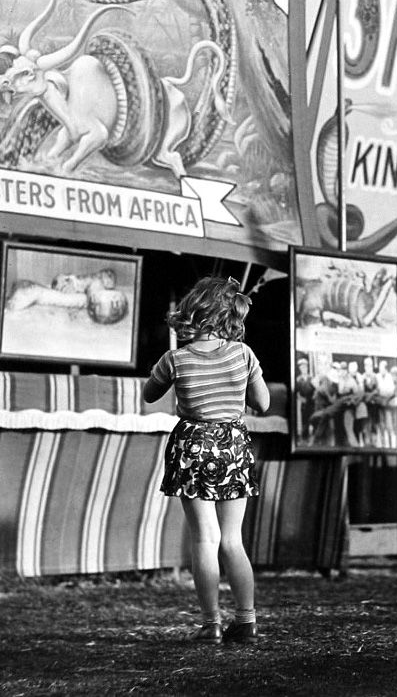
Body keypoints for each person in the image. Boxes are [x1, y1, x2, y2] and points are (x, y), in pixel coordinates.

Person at [143, 276, 270, 645]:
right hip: (232, 444)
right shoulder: (243, 354)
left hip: (192, 445)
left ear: (193, 310)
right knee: (233, 539)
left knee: (205, 539)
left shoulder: (175, 359)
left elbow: (150, 394)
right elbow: (262, 404)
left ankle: (211, 623)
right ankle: (246, 621)